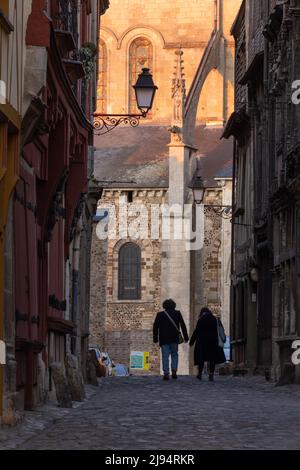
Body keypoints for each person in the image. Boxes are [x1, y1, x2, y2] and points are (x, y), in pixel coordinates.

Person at [153, 299, 189, 380]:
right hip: (174, 338)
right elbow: (183, 325)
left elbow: (155, 327)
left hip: (164, 339)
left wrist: (155, 338)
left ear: (164, 306)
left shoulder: (160, 314)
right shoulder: (177, 313)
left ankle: (166, 373)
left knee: (165, 356)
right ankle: (174, 371)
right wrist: (186, 337)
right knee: (174, 354)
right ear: (174, 305)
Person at [189, 307, 226, 381]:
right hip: (213, 342)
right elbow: (221, 329)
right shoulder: (216, 319)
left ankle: (199, 374)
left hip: (202, 342)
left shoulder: (201, 320)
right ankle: (211, 374)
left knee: (201, 359)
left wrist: (192, 341)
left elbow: (196, 331)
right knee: (212, 359)